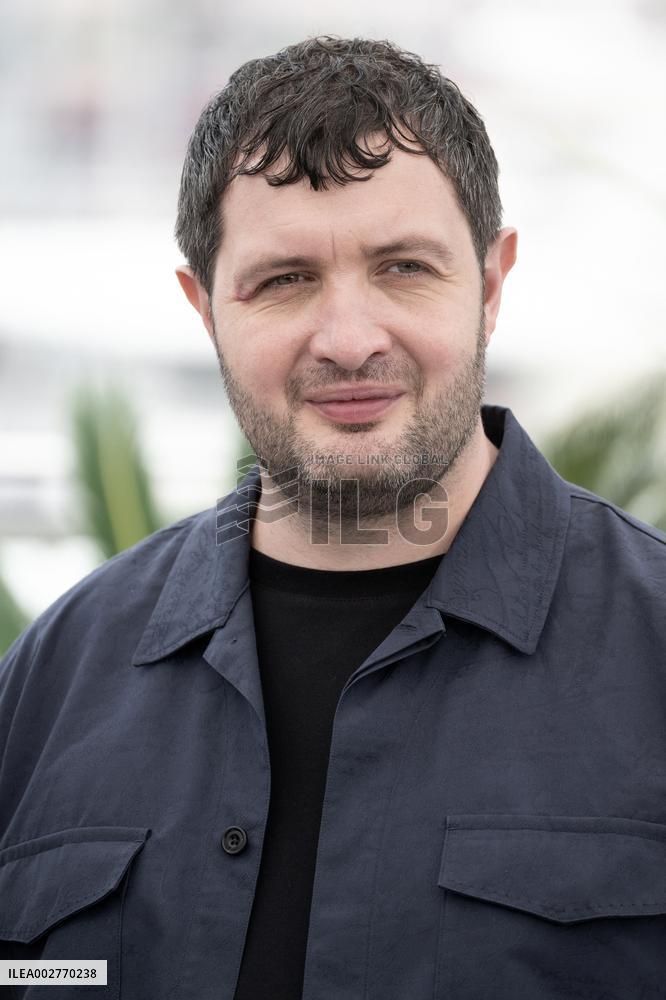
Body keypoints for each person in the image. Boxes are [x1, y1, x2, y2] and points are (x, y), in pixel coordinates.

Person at [1, 34, 665, 1000]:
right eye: (284, 280)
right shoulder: (55, 680)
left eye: (403, 268)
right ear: (203, 307)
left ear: (494, 283)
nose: (350, 341)